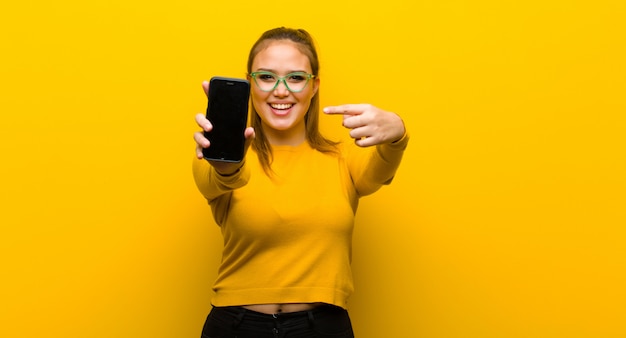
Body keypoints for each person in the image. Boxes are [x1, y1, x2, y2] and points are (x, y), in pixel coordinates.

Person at [192, 27, 409, 338]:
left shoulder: (343, 159)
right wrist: (226, 164)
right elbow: (218, 179)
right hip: (236, 327)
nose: (281, 90)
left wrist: (398, 132)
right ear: (250, 84)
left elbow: (380, 168)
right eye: (266, 77)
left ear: (314, 86)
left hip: (322, 328)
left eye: (295, 78)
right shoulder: (215, 155)